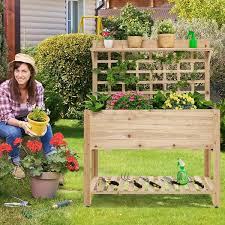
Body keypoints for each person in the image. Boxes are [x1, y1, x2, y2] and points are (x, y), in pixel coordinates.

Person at [0, 53, 55, 179]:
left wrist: (39, 123)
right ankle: (16, 163)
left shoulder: (38, 87)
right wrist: (22, 124)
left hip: (26, 120)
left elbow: (39, 111)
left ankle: (53, 162)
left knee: (45, 126)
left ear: (31, 73)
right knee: (14, 133)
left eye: (24, 71)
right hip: (4, 122)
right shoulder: (4, 88)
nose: (20, 75)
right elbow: (6, 116)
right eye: (17, 70)